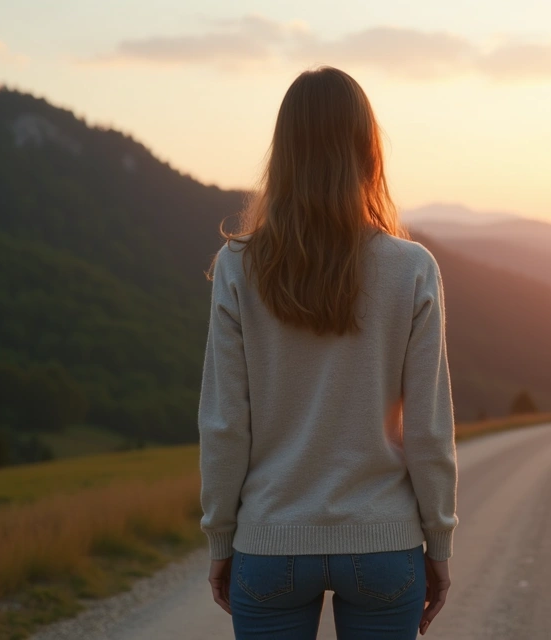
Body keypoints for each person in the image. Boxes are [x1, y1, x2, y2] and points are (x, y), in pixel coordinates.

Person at [198, 67, 458, 639]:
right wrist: (438, 543)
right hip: (384, 544)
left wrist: (221, 538)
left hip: (270, 543)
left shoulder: (238, 266)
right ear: (367, 151)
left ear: (283, 154)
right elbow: (429, 428)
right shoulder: (413, 268)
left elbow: (224, 424)